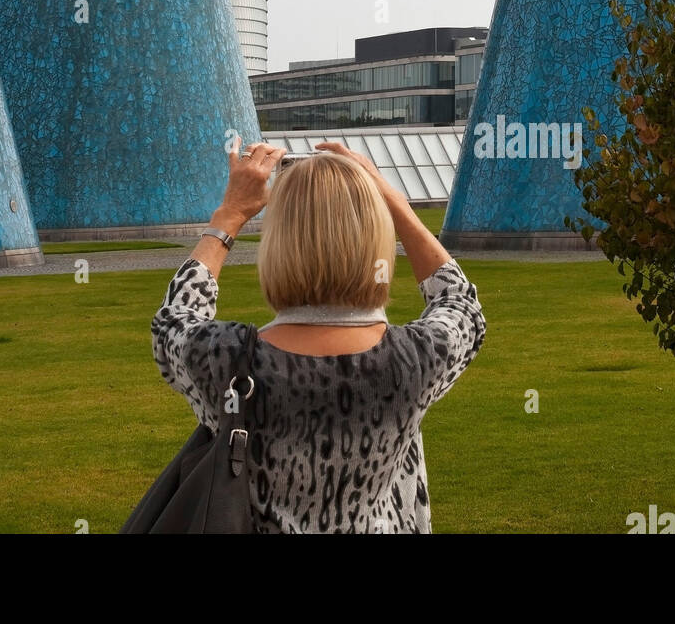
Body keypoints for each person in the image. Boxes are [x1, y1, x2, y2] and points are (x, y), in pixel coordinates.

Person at [151, 138, 486, 533]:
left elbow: (175, 319)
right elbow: (459, 300)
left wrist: (229, 215)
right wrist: (390, 199)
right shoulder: (414, 361)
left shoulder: (226, 360)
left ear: (279, 243)